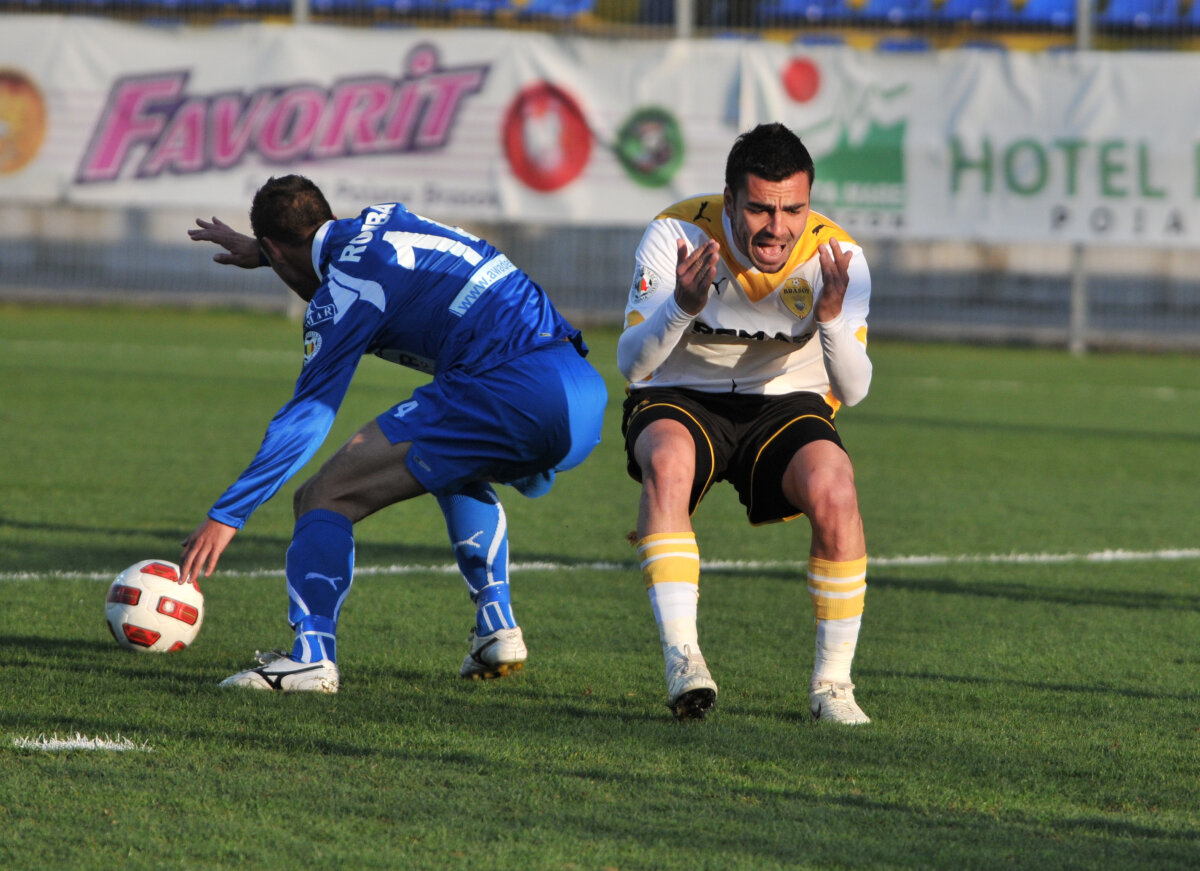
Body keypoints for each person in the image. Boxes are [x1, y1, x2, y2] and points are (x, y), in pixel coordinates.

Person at [180, 174, 607, 693]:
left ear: (275, 245)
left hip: (509, 387)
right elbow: (357, 260)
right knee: (450, 465)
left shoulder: (342, 291)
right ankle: (496, 625)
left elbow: (309, 415)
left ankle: (311, 657)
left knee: (324, 496)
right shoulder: (380, 221)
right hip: (579, 387)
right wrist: (270, 255)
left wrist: (228, 514)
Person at [617, 123, 873, 724]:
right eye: (759, 207)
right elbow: (633, 363)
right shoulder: (675, 234)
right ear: (730, 200)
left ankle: (833, 687)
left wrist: (832, 320)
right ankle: (685, 661)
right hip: (681, 392)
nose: (778, 226)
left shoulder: (838, 257)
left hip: (784, 401)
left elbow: (854, 391)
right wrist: (680, 307)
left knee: (837, 488)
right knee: (668, 460)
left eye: (793, 209)